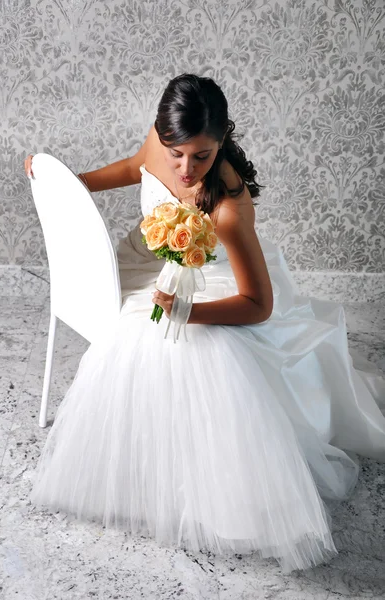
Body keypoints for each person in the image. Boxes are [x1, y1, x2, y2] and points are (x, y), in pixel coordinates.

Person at [24, 73, 385, 573]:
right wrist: (71, 185)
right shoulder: (162, 140)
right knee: (141, 333)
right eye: (177, 154)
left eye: (203, 156)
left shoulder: (230, 209)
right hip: (145, 262)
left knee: (177, 346)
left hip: (219, 285)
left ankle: (198, 477)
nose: (186, 169)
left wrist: (189, 312)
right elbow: (135, 166)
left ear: (221, 143)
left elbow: (259, 304)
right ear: (162, 133)